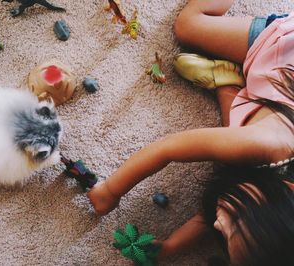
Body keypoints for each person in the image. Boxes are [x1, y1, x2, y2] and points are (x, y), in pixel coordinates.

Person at [87, 0, 294, 265]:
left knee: (233, 153)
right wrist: (110, 190)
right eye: (236, 223)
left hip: (268, 109)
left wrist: (171, 246)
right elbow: (170, 148)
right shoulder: (265, 143)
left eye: (225, 238)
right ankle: (229, 79)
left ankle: (227, 80)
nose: (219, 224)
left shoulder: (265, 201)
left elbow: (216, 218)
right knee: (188, 26)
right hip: (281, 54)